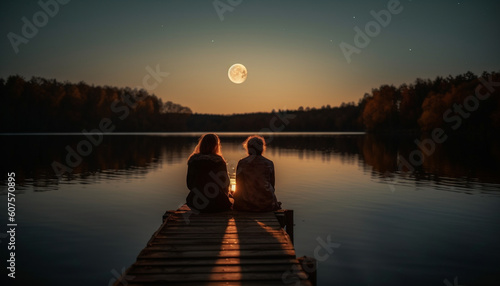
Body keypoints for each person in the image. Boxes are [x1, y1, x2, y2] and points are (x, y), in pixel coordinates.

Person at [233, 135, 281, 212]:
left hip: (246, 205)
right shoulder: (269, 163)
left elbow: (239, 185)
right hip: (266, 204)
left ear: (248, 148)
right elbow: (272, 185)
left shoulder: (242, 163)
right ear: (262, 148)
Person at [186, 134, 232, 212]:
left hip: (196, 203)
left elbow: (189, 184)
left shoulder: (193, 160)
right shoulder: (219, 161)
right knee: (231, 198)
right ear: (216, 146)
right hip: (217, 203)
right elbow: (225, 184)